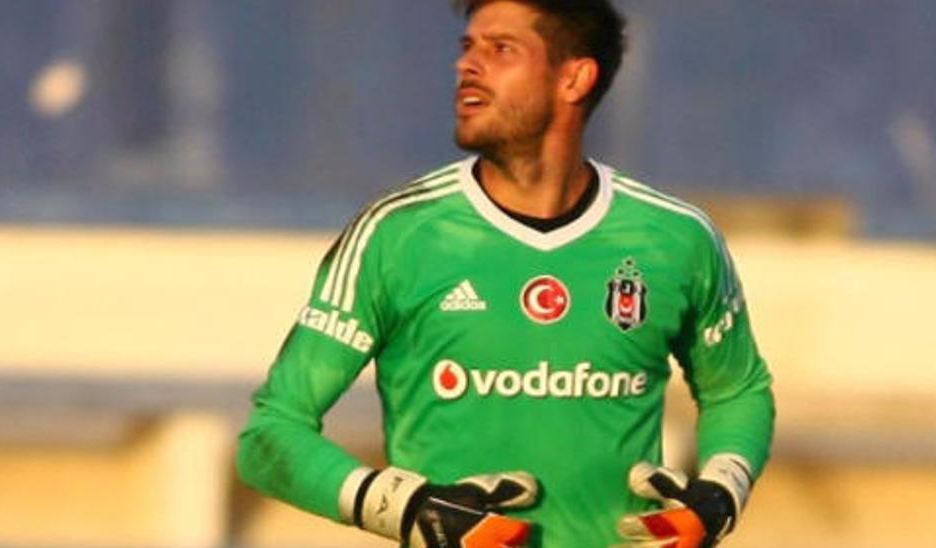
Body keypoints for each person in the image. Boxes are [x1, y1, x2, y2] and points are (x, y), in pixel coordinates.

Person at [235, 1, 775, 546]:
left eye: (501, 50)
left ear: (574, 77)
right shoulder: (399, 234)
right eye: (468, 47)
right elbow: (270, 434)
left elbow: (738, 389)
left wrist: (719, 495)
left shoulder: (675, 238)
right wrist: (403, 507)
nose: (467, 65)